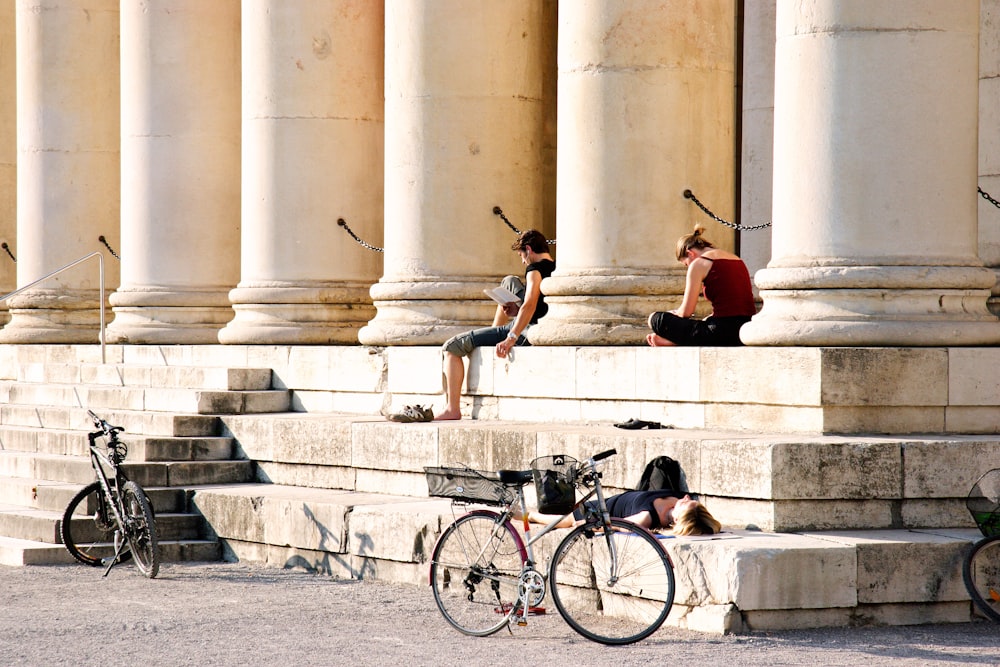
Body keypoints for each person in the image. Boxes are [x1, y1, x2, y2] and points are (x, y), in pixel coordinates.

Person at [433, 229, 555, 421]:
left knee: (451, 347)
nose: (523, 261)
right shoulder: (556, 268)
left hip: (524, 331)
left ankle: (452, 408)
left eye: (522, 256)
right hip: (534, 324)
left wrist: (511, 337)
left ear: (529, 250)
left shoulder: (534, 270)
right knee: (508, 281)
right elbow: (539, 304)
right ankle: (496, 329)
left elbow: (530, 303)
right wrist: (516, 311)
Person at [646, 225, 756, 347]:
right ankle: (674, 340)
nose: (688, 267)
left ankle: (673, 340)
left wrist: (673, 315)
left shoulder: (699, 264)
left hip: (721, 332)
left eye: (686, 264)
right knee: (705, 322)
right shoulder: (736, 259)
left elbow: (685, 313)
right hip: (745, 329)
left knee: (655, 319)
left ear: (690, 253)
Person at [526, 490, 722, 536]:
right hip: (614, 499)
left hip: (605, 511)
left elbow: (619, 524)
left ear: (678, 518)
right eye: (689, 500)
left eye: (686, 503)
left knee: (564, 520)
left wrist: (594, 526)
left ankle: (530, 516)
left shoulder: (648, 517)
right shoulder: (676, 498)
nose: (686, 497)